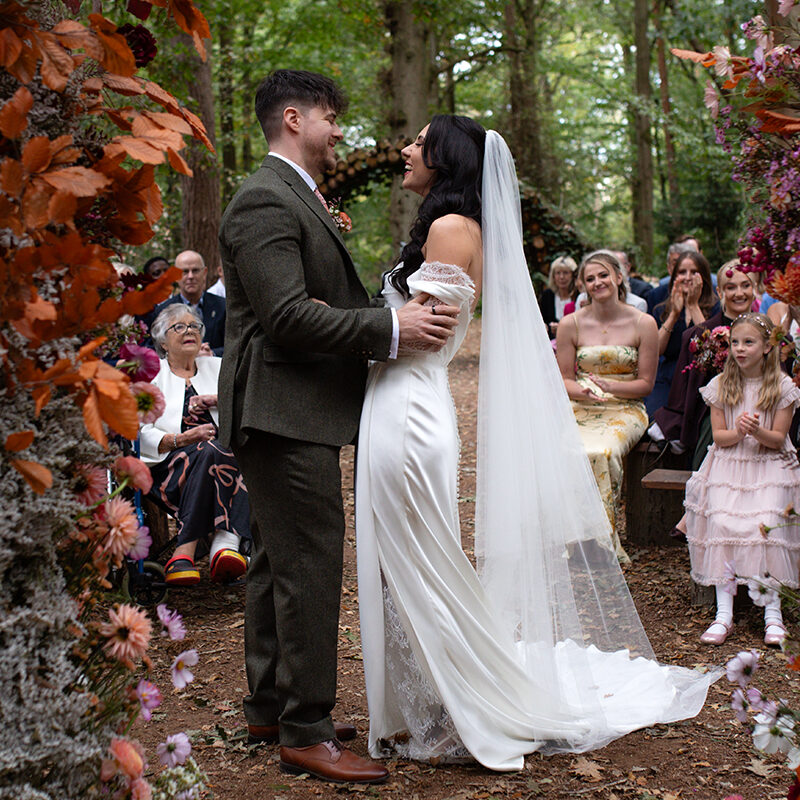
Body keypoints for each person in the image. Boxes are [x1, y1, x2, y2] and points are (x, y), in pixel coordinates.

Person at [356, 116, 715, 772]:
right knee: (409, 563)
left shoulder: (450, 228)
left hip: (407, 409)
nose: (407, 148)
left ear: (446, 158)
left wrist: (335, 330)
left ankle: (459, 705)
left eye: (420, 141)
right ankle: (434, 702)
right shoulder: (460, 229)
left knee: (421, 566)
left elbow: (422, 332)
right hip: (405, 404)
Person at [217, 70, 459, 785]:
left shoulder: (293, 193)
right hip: (281, 409)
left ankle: (270, 707)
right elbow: (287, 316)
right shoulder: (264, 197)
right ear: (295, 119)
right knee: (309, 565)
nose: (340, 131)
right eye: (331, 117)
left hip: (291, 407)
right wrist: (391, 327)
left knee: (276, 561)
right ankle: (306, 731)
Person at [685, 313, 800, 646]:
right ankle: (724, 613)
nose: (740, 348)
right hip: (729, 465)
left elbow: (778, 439)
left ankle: (772, 614)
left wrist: (757, 431)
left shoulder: (782, 386)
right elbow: (719, 437)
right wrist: (739, 431)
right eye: (735, 342)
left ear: (766, 347)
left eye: (748, 342)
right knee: (723, 522)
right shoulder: (722, 384)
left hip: (769, 465)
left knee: (766, 524)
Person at [556, 250, 658, 561]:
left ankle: (602, 540)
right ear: (583, 286)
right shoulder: (570, 323)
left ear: (618, 277)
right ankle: (572, 538)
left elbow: (646, 384)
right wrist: (582, 392)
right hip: (581, 404)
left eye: (603, 275)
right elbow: (563, 379)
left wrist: (613, 387)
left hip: (625, 407)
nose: (597, 282)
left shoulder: (644, 323)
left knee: (602, 451)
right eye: (590, 278)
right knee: (564, 450)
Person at [139, 304, 251, 585]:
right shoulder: (151, 377)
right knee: (212, 450)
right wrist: (183, 439)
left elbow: (249, 406)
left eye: (194, 326)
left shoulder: (219, 367)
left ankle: (184, 555)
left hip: (222, 458)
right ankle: (224, 545)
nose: (189, 330)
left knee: (218, 450)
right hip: (168, 466)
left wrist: (219, 401)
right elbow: (139, 432)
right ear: (163, 342)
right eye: (179, 326)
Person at [652, 262, 756, 470]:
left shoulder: (770, 334)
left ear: (754, 289)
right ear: (720, 292)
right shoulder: (698, 336)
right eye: (731, 287)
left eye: (745, 285)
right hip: (715, 418)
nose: (739, 293)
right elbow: (687, 393)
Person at [646, 250, 717, 417]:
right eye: (682, 272)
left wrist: (693, 306)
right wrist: (674, 314)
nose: (688, 277)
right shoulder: (661, 309)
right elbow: (656, 350)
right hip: (667, 377)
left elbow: (713, 348)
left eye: (694, 272)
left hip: (702, 378)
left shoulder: (716, 306)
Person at [153, 250, 226, 356]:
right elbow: (158, 349)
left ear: (204, 273)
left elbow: (235, 345)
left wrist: (212, 353)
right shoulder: (163, 311)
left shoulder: (223, 306)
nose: (190, 276)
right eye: (185, 271)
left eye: (195, 270)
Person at [539, 254, 578, 338]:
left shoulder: (578, 295)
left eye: (565, 273)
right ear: (553, 276)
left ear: (573, 275)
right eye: (558, 273)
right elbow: (542, 320)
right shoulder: (547, 295)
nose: (561, 277)